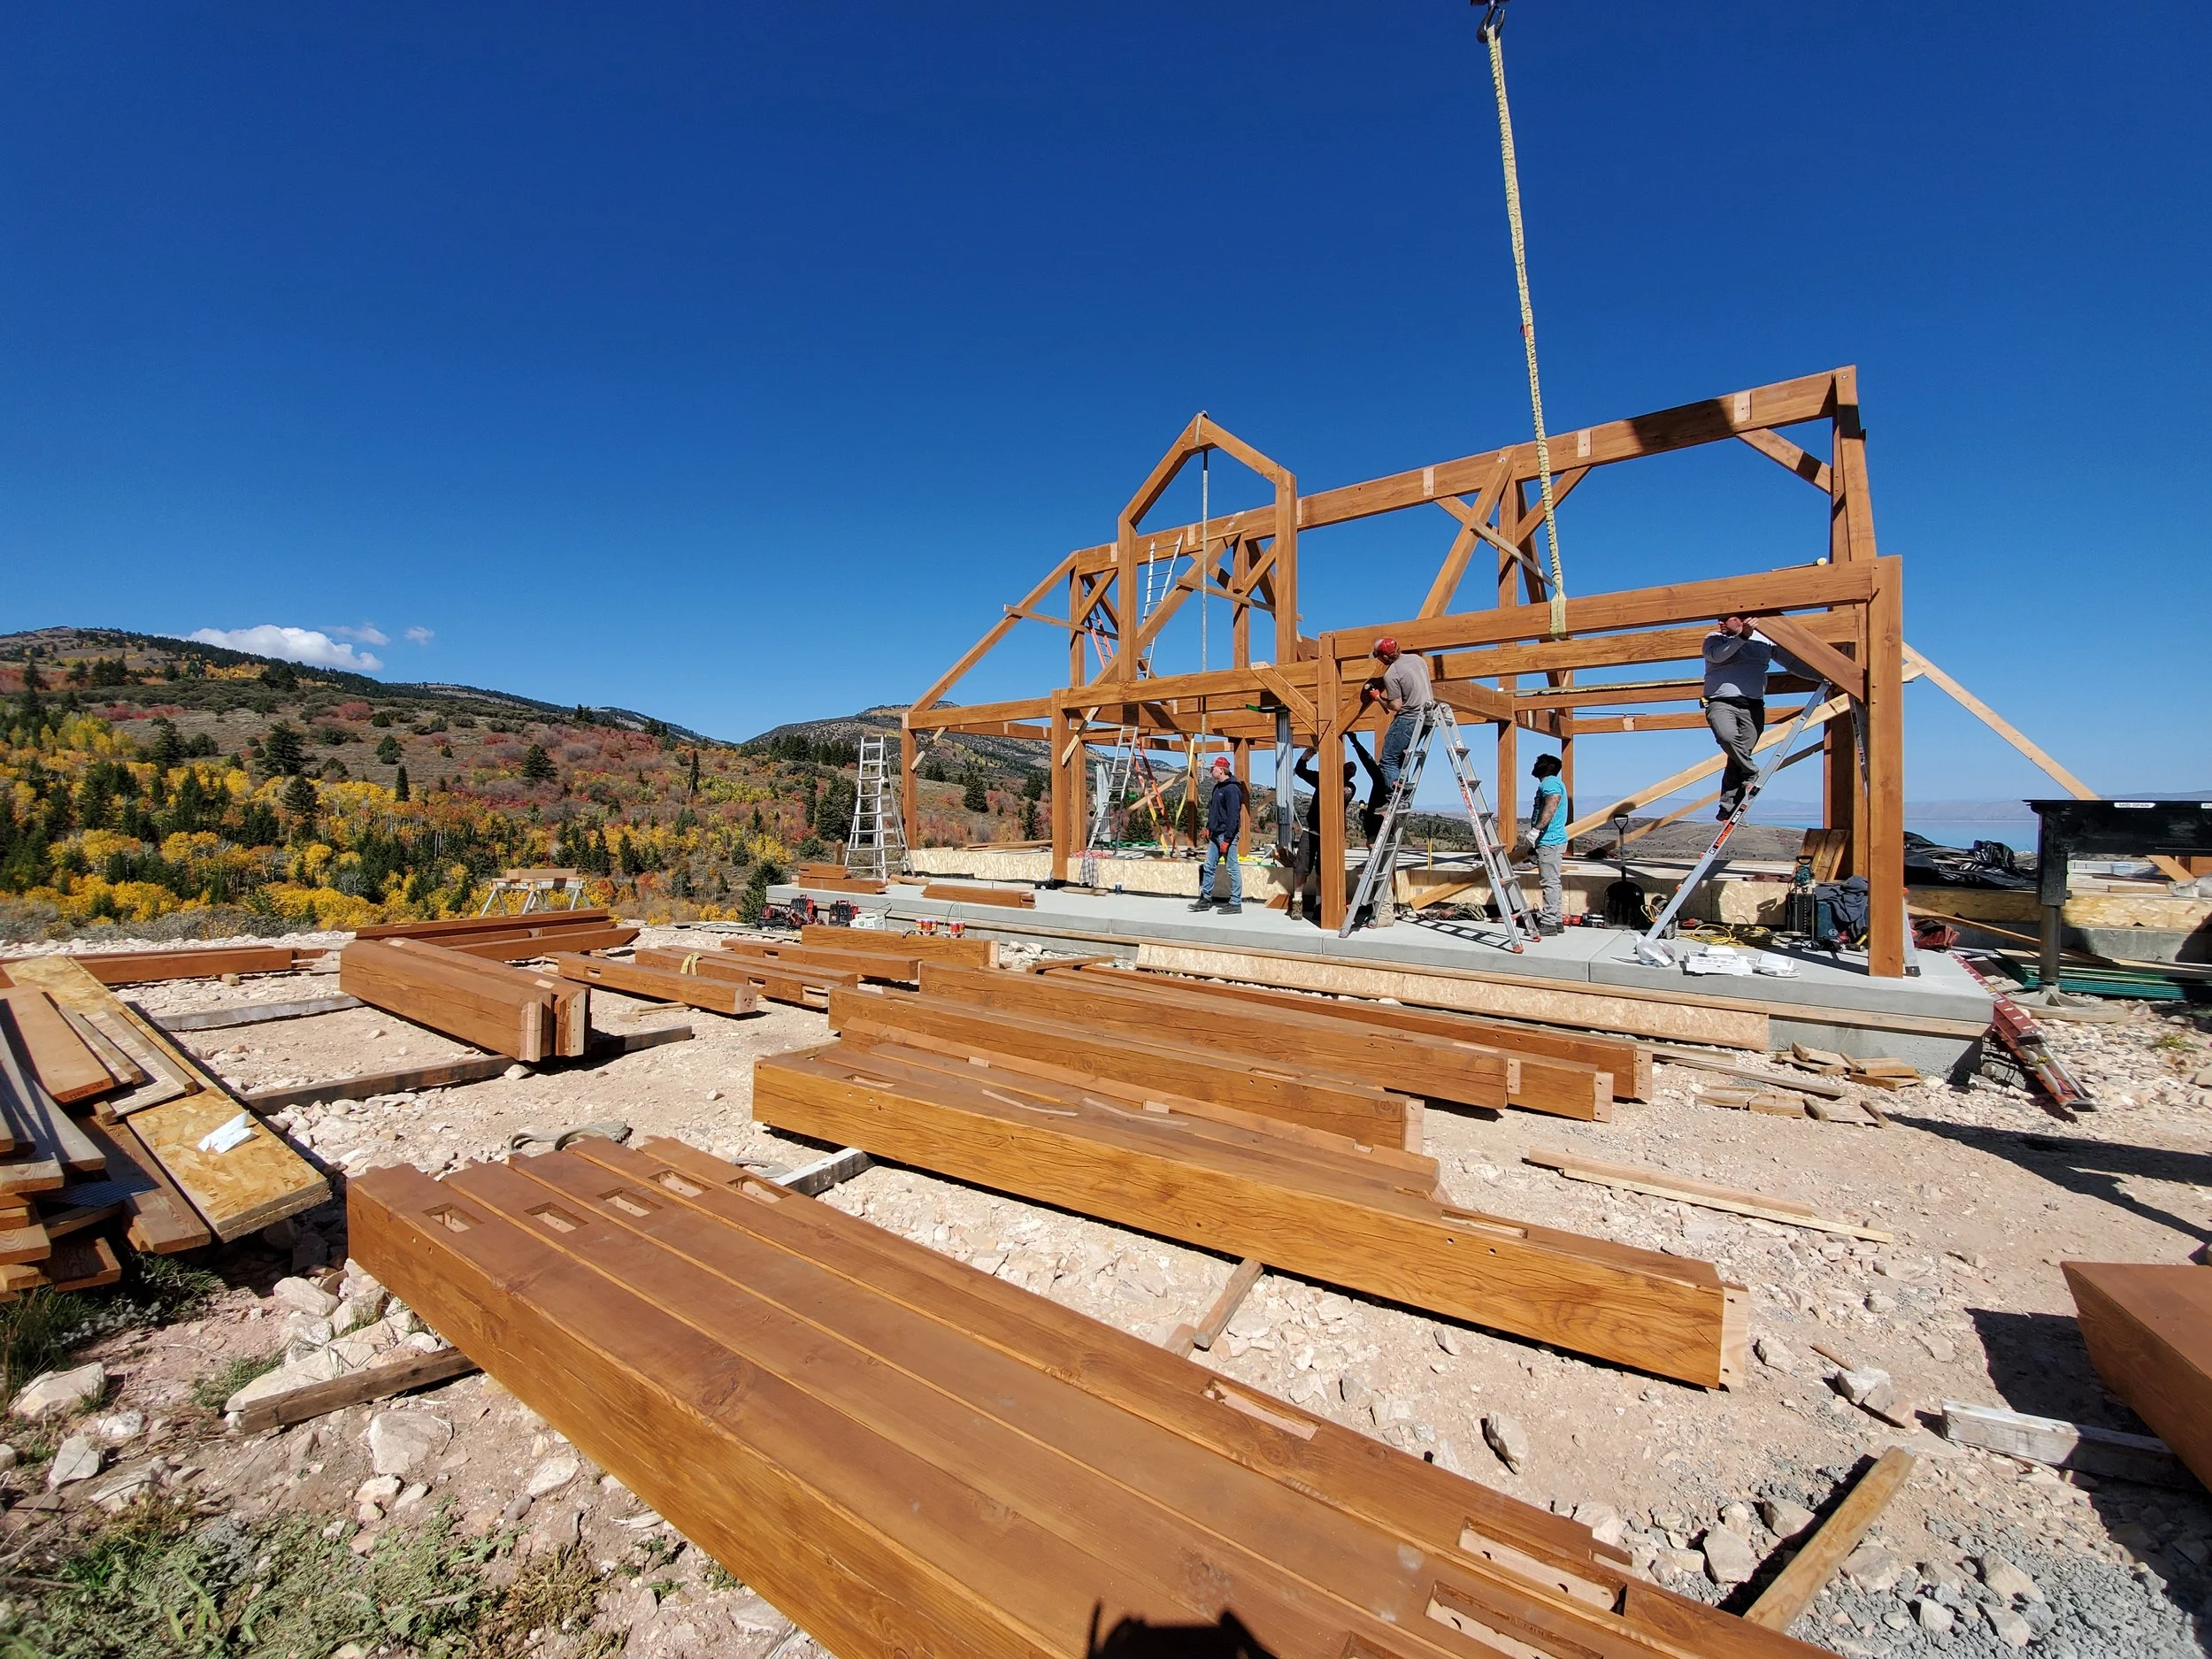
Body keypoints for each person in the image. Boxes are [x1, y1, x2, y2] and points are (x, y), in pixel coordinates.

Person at [1702, 613, 1808, 819]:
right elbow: (1718, 656)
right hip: (1721, 702)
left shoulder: (1765, 640)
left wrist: (1826, 676)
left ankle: (1728, 809)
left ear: (1743, 619)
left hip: (1753, 705)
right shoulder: (1714, 638)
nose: (1720, 622)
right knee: (1727, 737)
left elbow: (1791, 663)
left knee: (1738, 755)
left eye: (1725, 618)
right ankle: (1751, 771)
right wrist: (1743, 637)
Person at [1290, 747, 1361, 922]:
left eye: (1351, 770)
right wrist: (1305, 757)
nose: (1349, 770)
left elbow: (1343, 794)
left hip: (1329, 834)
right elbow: (1300, 771)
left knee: (1324, 871)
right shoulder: (1322, 778)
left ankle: (1319, 905)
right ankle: (1297, 903)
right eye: (1347, 767)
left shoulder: (1349, 787)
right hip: (1310, 830)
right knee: (1301, 868)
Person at [1371, 637, 1434, 791]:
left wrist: (1378, 697)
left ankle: (1394, 797)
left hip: (1409, 719)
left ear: (1384, 656)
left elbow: (1396, 705)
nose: (1379, 660)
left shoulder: (1392, 674)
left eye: (1378, 657)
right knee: (1399, 758)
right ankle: (1402, 792)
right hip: (1427, 717)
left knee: (1388, 760)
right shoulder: (1418, 660)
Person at [1518, 753, 1569, 935]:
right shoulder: (1552, 783)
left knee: (1549, 883)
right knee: (1553, 882)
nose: (1535, 764)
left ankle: (1548, 923)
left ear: (1550, 767)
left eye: (1539, 762)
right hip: (1553, 840)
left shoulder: (1549, 783)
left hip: (1550, 841)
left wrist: (1537, 830)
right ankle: (1556, 920)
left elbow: (1551, 805)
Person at [1191, 754, 1247, 915]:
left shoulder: (1232, 789)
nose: (1211, 771)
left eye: (1213, 768)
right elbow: (1214, 810)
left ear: (1221, 770)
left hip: (1226, 835)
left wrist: (1227, 840)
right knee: (1209, 866)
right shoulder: (1218, 788)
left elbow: (1233, 817)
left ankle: (1235, 903)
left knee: (1232, 868)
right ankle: (1205, 899)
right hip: (1215, 834)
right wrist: (1209, 827)